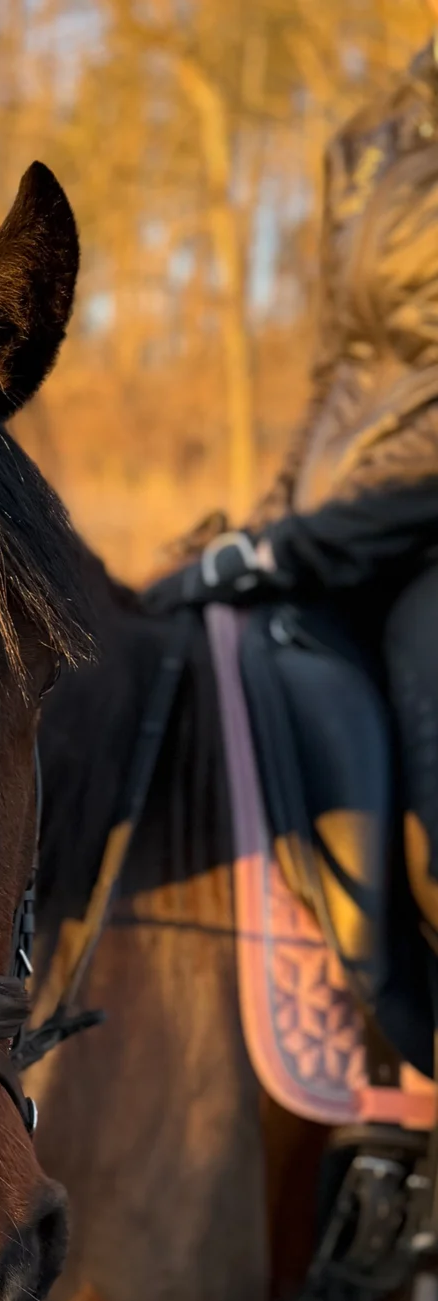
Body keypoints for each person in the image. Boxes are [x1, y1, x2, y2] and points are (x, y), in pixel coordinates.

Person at [151, 17, 438, 970]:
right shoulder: (368, 139)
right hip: (334, 521)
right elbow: (337, 370)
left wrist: (308, 542)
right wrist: (272, 524)